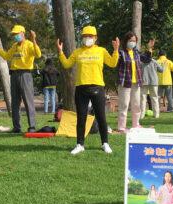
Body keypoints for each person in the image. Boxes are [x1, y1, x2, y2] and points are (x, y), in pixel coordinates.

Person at [57, 26, 119, 155]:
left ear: (95, 38)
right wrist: (60, 52)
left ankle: (105, 143)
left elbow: (112, 63)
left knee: (101, 117)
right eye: (85, 36)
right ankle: (80, 144)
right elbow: (67, 64)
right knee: (81, 117)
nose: (87, 38)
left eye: (90, 36)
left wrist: (116, 50)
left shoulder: (101, 51)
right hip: (81, 88)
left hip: (98, 87)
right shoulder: (77, 52)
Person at [0, 25, 41, 133]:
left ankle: (32, 127)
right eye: (14, 34)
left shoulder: (29, 44)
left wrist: (34, 39)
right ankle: (16, 127)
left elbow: (38, 54)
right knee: (15, 102)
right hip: (14, 75)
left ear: (22, 33)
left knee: (28, 101)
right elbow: (6, 56)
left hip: (25, 74)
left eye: (16, 34)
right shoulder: (15, 46)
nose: (15, 36)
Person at [116, 33, 153, 132]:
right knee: (124, 105)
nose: (132, 42)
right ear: (126, 41)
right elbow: (114, 63)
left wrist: (149, 49)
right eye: (131, 40)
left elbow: (147, 59)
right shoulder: (121, 53)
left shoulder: (136, 52)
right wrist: (115, 49)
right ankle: (121, 127)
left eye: (134, 41)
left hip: (136, 83)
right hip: (125, 83)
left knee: (136, 104)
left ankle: (136, 125)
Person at [140, 43, 164, 119]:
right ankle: (156, 114)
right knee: (154, 98)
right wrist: (163, 65)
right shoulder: (154, 61)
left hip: (144, 81)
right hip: (153, 82)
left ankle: (141, 115)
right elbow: (161, 70)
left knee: (143, 99)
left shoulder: (141, 62)